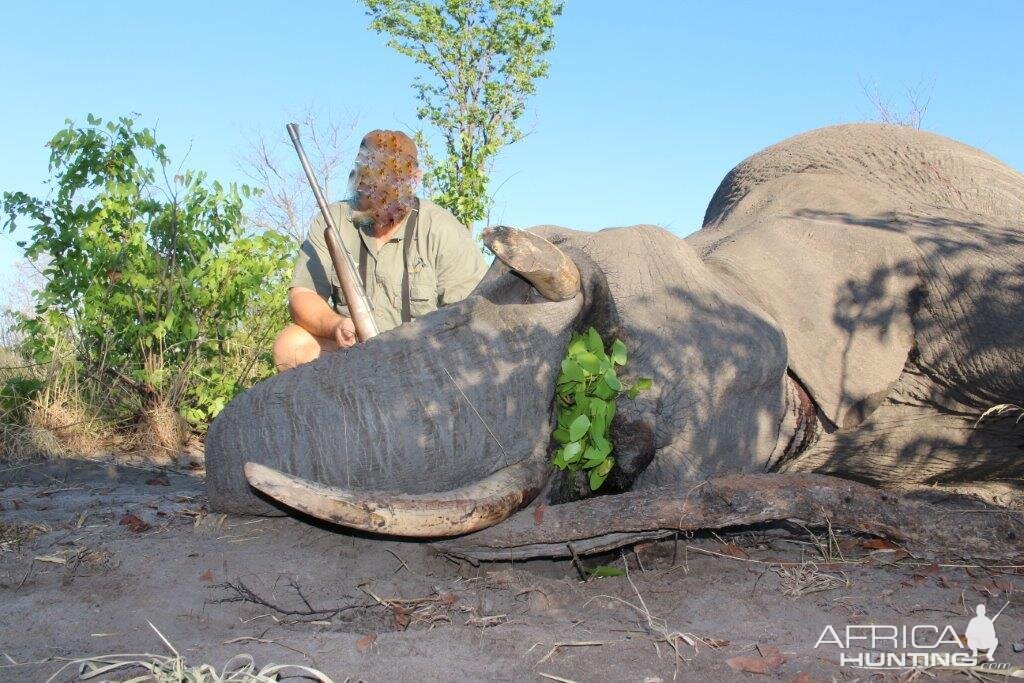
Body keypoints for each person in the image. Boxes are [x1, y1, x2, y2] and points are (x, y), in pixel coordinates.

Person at [273, 130, 487, 371]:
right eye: (372, 183)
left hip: (425, 363)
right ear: (358, 178)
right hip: (354, 356)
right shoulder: (333, 219)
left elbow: (473, 316)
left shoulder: (442, 228)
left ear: (414, 179)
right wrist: (335, 326)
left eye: (390, 185)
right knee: (289, 346)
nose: (379, 198)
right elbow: (303, 295)